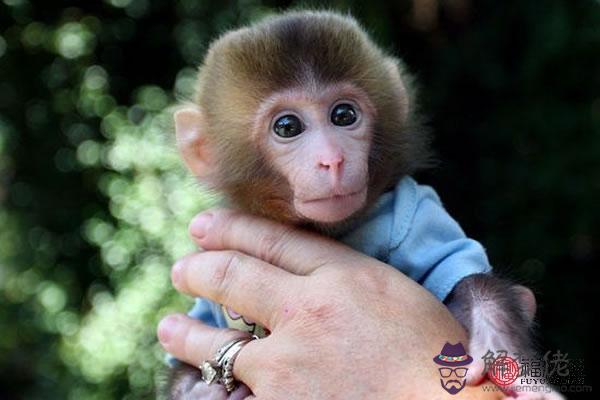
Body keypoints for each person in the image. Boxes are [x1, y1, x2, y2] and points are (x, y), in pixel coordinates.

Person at [158, 209, 502, 399]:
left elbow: (479, 299)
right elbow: (193, 356)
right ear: (202, 149)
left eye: (344, 117)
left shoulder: (404, 215)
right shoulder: (229, 245)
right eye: (288, 127)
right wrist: (193, 387)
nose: (331, 157)